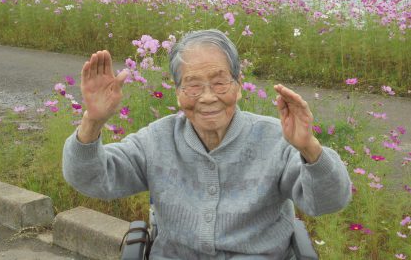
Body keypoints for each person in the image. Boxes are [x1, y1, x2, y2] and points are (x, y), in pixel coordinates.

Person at [63, 29, 352, 259]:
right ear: (177, 93)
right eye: (193, 85)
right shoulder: (157, 140)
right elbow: (93, 179)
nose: (208, 97)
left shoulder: (275, 138)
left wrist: (309, 147)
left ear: (238, 86)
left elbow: (329, 201)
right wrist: (92, 121)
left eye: (219, 82)